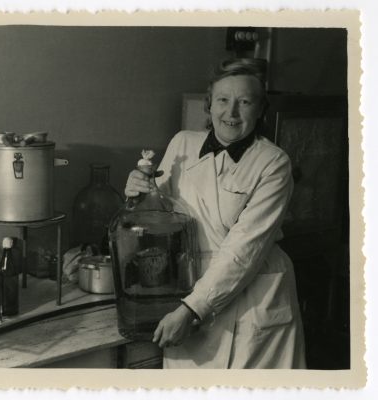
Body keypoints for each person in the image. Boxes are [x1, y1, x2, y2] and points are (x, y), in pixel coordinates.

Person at [125, 59, 306, 368]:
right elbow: (160, 215)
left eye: (244, 102)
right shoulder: (183, 143)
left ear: (261, 110)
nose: (231, 113)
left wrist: (191, 309)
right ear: (208, 105)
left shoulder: (273, 162)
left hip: (251, 298)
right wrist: (136, 192)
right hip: (188, 287)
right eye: (222, 100)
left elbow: (245, 248)